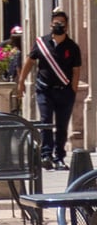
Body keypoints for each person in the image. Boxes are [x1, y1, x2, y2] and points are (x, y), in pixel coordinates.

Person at [17, 9, 81, 170]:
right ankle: (46, 155)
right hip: (44, 90)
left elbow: (76, 70)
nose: (58, 26)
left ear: (66, 26)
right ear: (51, 25)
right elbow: (30, 61)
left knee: (62, 125)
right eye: (56, 23)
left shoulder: (72, 47)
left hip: (64, 91)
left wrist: (73, 90)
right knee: (45, 121)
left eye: (61, 23)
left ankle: (59, 157)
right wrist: (21, 81)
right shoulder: (41, 43)